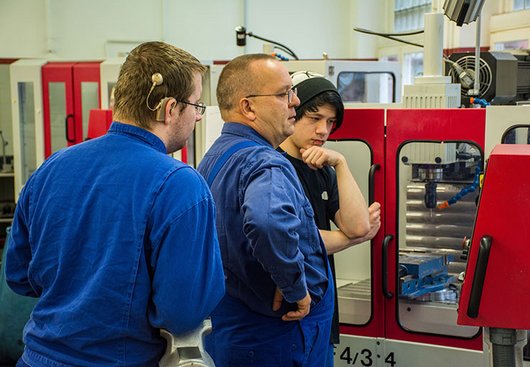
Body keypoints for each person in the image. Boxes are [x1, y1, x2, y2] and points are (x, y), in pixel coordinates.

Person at [5, 41, 225, 367]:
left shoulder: (51, 167)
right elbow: (182, 312)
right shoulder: (180, 184)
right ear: (169, 109)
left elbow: (18, 274)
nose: (196, 115)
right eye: (196, 105)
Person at [197, 54, 333, 367]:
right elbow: (268, 223)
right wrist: (296, 288)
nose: (295, 101)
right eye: (285, 93)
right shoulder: (264, 162)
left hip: (234, 330)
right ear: (248, 107)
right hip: (275, 336)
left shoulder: (216, 157)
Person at [279, 71, 382, 366]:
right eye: (314, 118)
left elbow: (358, 224)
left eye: (330, 122)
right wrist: (353, 239)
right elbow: (290, 240)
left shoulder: (323, 168)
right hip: (289, 313)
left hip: (322, 313)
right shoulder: (272, 167)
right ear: (292, 113)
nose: (323, 130)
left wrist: (341, 162)